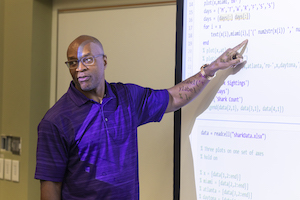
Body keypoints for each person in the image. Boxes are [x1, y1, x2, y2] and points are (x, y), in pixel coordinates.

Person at [35, 35, 247, 200]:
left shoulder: (126, 98)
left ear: (104, 61)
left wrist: (211, 70)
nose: (79, 68)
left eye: (87, 59)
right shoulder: (55, 121)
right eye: (72, 62)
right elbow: (50, 186)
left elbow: (173, 98)